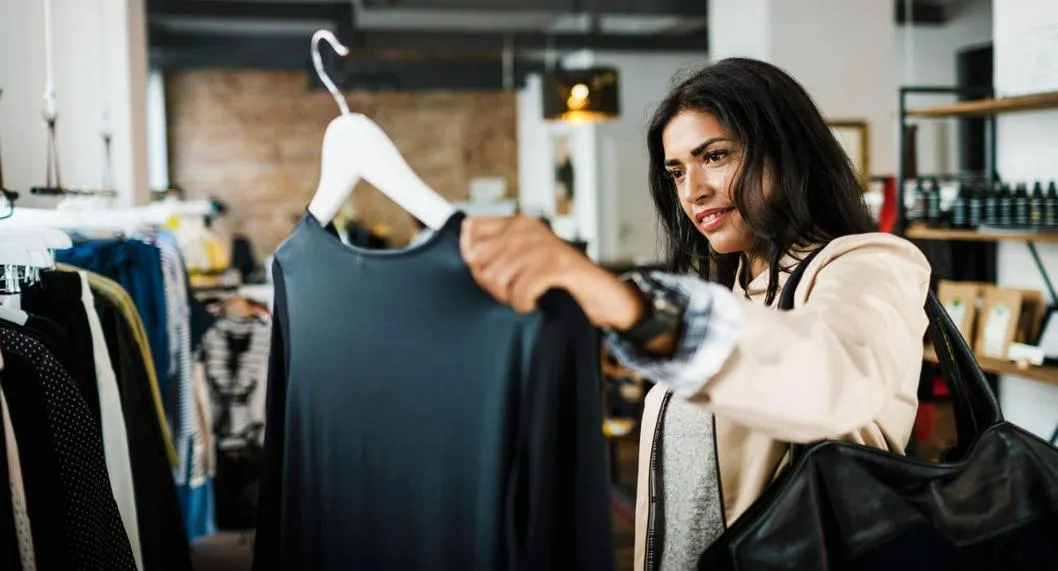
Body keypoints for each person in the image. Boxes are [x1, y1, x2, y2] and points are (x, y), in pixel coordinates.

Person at [459, 58, 930, 570]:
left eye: (717, 156)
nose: (692, 190)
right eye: (678, 171)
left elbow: (829, 376)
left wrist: (632, 306)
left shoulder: (871, 264)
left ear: (788, 152)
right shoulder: (734, 293)